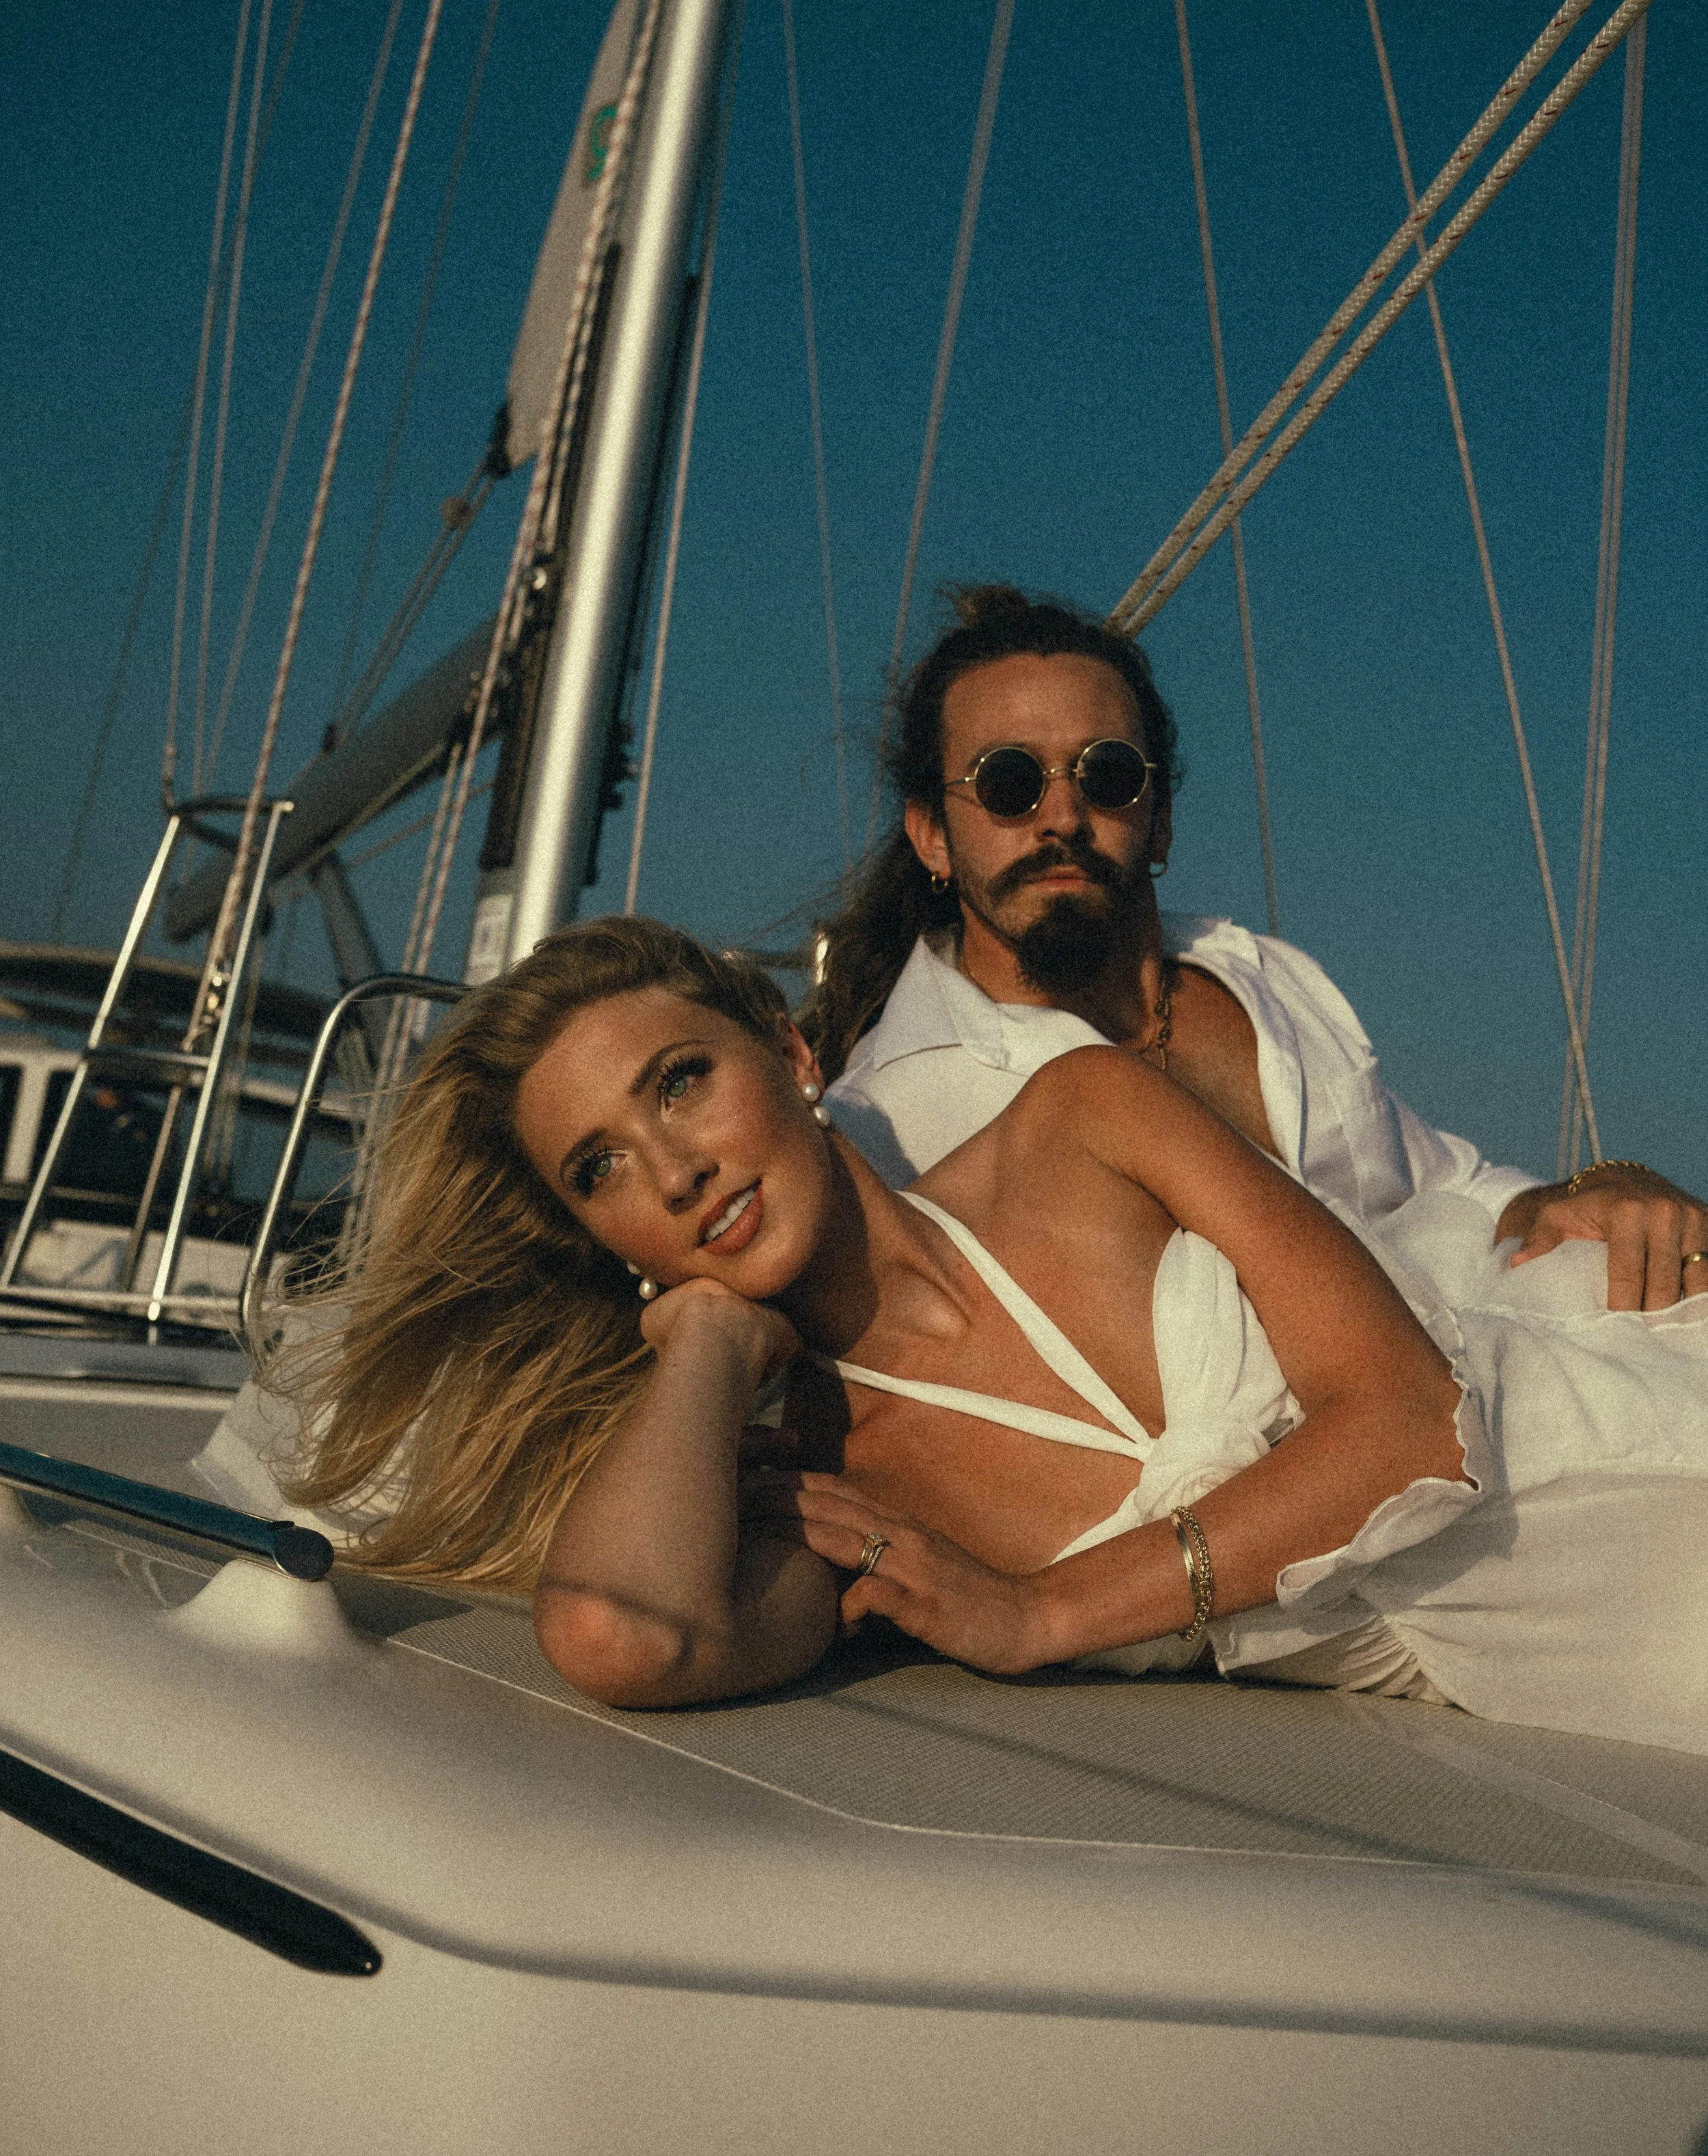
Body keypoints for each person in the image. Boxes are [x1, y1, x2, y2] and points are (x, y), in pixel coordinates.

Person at [276, 916, 1708, 1755]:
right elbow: (619, 1632)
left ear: (791, 1051)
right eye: (599, 1169)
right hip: (1554, 1656)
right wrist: (704, 1348)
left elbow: (1413, 1426)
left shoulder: (1082, 1121)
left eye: (680, 1083)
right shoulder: (838, 1492)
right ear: (602, 1237)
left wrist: (1045, 1614)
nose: (672, 1169)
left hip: (1609, 1423)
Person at [807, 584, 1707, 1313]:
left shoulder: (1261, 980)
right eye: (1009, 782)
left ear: (1159, 820)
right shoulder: (886, 1131)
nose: (1063, 815)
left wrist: (1603, 1186)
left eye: (1107, 774)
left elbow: (1448, 1191)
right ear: (931, 836)